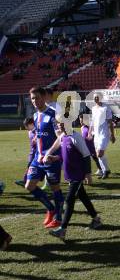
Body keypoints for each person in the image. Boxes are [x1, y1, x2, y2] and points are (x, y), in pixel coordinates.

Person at [44, 120, 102, 240]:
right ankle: (96, 219)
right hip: (70, 174)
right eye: (58, 123)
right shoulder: (63, 137)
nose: (59, 125)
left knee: (69, 200)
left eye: (62, 123)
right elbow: (65, 155)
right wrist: (54, 158)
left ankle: (62, 229)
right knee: (83, 197)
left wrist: (88, 174)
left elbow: (86, 155)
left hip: (78, 174)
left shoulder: (76, 137)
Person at [25, 87, 64, 229]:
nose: (34, 101)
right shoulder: (35, 116)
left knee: (55, 188)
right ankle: (50, 208)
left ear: (43, 98)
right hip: (38, 158)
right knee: (29, 185)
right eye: (32, 98)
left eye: (37, 98)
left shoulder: (53, 114)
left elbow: (60, 136)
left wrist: (49, 154)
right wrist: (36, 137)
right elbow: (40, 132)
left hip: (51, 158)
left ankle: (59, 217)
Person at [89, 93, 115, 179]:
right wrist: (89, 132)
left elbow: (110, 122)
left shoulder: (106, 108)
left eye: (97, 97)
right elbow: (92, 121)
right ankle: (106, 170)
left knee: (100, 154)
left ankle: (105, 171)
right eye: (94, 97)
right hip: (96, 135)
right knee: (98, 154)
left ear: (100, 98)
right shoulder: (93, 108)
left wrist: (112, 135)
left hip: (104, 134)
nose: (96, 99)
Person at [15, 117, 37, 187]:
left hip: (37, 153)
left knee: (31, 167)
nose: (25, 127)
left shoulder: (38, 131)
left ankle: (25, 181)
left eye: (26, 125)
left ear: (31, 124)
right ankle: (25, 180)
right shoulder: (30, 131)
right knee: (30, 167)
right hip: (32, 152)